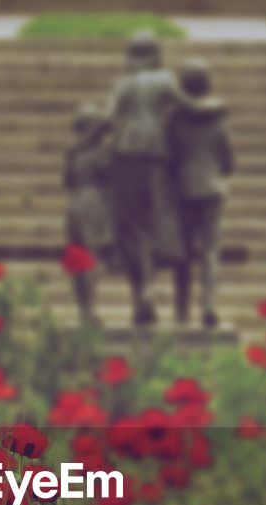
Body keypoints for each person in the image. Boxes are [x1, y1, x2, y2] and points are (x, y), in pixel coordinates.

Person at [104, 31, 192, 326]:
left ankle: (141, 292)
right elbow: (189, 106)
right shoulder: (165, 80)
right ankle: (149, 289)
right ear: (156, 55)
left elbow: (107, 118)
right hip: (155, 153)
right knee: (153, 225)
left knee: (132, 226)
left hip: (125, 153)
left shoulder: (124, 84)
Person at [168, 58, 233, 328]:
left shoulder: (174, 123)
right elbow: (228, 161)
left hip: (183, 188)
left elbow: (170, 157)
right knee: (209, 251)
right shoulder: (217, 124)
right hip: (211, 189)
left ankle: (181, 311)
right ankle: (208, 306)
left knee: (182, 253)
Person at [63, 103, 114, 327]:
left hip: (74, 203)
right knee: (93, 257)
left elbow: (66, 181)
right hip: (93, 202)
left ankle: (83, 308)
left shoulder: (73, 154)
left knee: (78, 258)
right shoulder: (98, 154)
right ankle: (90, 308)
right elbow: (108, 177)